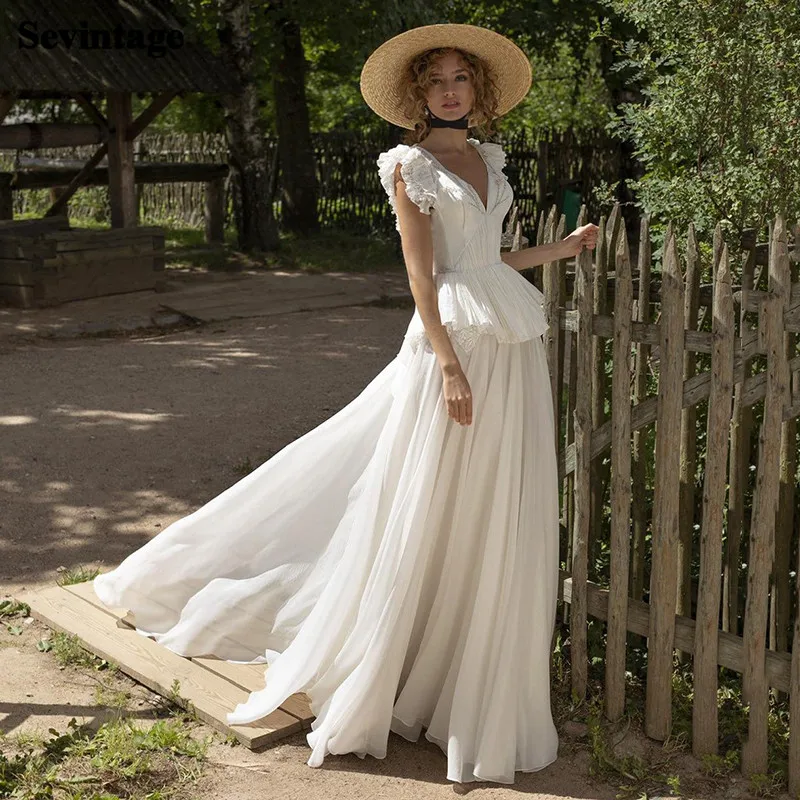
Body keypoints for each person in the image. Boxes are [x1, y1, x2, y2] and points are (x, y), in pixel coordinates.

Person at [93, 22, 599, 788]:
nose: (452, 90)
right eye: (438, 81)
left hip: (511, 345)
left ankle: (454, 660)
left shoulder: (488, 159)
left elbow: (486, 261)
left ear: (479, 91)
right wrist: (449, 366)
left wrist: (557, 253)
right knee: (418, 492)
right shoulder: (410, 165)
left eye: (463, 78)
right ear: (417, 96)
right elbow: (424, 277)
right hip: (455, 346)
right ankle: (373, 645)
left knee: (487, 504)